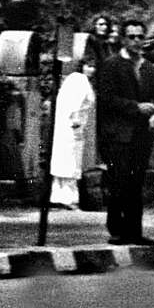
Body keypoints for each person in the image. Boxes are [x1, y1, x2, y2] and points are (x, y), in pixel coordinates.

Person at [94, 17, 154, 245]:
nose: (136, 41)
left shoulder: (147, 67)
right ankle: (117, 229)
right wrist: (136, 107)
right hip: (118, 134)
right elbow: (106, 99)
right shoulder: (111, 64)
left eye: (140, 37)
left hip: (141, 134)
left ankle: (134, 231)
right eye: (131, 36)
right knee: (118, 181)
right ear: (124, 39)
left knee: (136, 183)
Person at [49, 56, 98, 208]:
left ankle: (60, 196)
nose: (91, 69)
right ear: (81, 66)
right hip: (73, 127)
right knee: (71, 161)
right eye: (88, 66)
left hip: (68, 127)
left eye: (93, 66)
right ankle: (69, 199)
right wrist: (76, 122)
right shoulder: (79, 80)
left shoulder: (74, 79)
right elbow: (75, 103)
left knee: (66, 160)